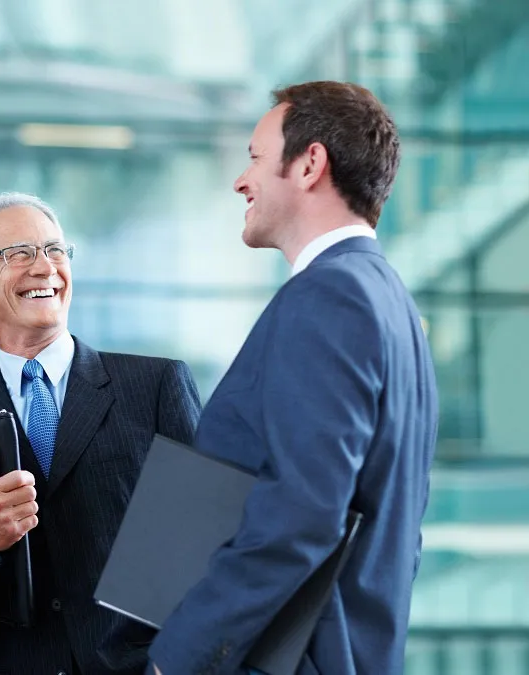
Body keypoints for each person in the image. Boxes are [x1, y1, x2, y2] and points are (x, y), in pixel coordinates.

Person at [147, 81, 438, 675]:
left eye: (255, 157)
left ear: (309, 164)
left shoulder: (332, 296)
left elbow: (301, 513)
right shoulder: (390, 302)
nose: (241, 180)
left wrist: (179, 657)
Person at [0, 193, 203, 674]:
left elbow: (209, 541)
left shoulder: (155, 388)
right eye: (18, 253)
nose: (44, 267)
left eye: (56, 250)